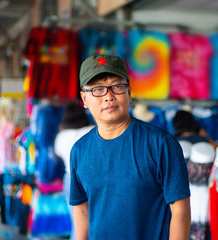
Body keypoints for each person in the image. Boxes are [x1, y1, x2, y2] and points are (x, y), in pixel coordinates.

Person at [69, 54, 191, 240]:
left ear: (129, 93)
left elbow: (180, 210)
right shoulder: (80, 151)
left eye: (117, 86)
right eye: (98, 89)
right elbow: (82, 210)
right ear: (84, 99)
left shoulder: (160, 144)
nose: (108, 97)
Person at [54, 102, 94, 239]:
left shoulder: (61, 136)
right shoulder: (93, 130)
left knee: (77, 221)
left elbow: (58, 154)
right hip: (91, 180)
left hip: (70, 179)